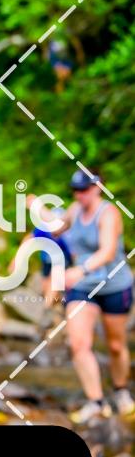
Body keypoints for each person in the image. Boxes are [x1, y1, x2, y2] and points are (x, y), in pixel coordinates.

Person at [54, 169, 134, 423]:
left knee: (116, 345)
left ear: (97, 187)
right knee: (78, 343)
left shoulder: (109, 213)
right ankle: (96, 401)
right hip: (83, 287)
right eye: (75, 190)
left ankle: (121, 391)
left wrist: (81, 269)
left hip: (114, 285)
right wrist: (35, 208)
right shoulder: (74, 210)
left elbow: (108, 251)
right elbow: (56, 228)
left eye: (84, 190)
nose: (79, 195)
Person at [12, 194, 73, 328]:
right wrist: (15, 261)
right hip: (47, 260)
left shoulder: (67, 232)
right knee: (47, 285)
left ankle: (47, 310)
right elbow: (28, 239)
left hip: (61, 260)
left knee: (54, 280)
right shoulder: (42, 229)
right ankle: (55, 307)